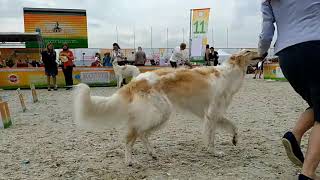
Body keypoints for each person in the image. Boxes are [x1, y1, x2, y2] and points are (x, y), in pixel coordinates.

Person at [258, 1, 320, 179]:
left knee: (317, 104)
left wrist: (261, 53)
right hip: (316, 46)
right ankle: (308, 173)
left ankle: (294, 135)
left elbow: (266, 33)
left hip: (287, 56)